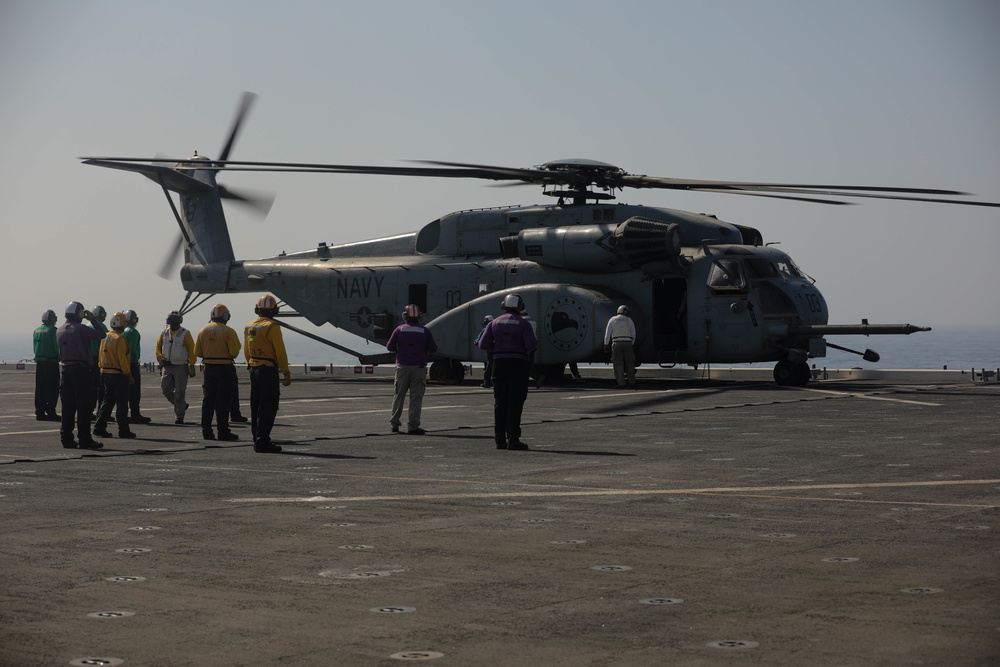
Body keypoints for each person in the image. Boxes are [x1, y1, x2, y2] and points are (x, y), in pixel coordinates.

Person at [478, 293, 537, 450]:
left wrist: (497, 348)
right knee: (515, 403)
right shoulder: (524, 324)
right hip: (518, 365)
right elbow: (531, 344)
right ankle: (513, 439)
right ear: (520, 306)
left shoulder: (494, 323)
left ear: (504, 306)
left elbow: (483, 344)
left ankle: (499, 440)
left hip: (499, 364)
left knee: (500, 403)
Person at [56, 302, 107, 449]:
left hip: (65, 370)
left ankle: (66, 439)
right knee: (84, 407)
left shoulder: (59, 330)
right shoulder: (81, 329)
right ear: (79, 313)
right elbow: (101, 334)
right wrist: (92, 319)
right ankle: (85, 439)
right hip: (81, 370)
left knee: (68, 407)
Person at [244, 295, 290, 453]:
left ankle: (256, 438)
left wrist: (250, 364)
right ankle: (262, 441)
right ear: (274, 310)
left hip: (254, 368)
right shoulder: (272, 327)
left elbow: (247, 349)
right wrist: (285, 371)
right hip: (268, 370)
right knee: (268, 406)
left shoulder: (249, 326)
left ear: (257, 310)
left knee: (255, 406)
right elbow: (280, 351)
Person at [386, 304, 437, 435]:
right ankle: (413, 426)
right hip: (418, 368)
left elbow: (390, 347)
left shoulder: (399, 329)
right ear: (419, 317)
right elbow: (433, 348)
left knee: (398, 396)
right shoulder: (424, 331)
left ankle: (394, 424)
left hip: (402, 367)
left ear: (405, 316)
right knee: (416, 398)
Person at [195, 304, 241, 442]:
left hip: (209, 369)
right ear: (225, 316)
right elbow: (234, 352)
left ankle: (206, 431)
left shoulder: (203, 330)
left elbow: (197, 352)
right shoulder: (229, 331)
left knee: (208, 401)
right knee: (224, 402)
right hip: (225, 368)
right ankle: (223, 431)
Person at [93, 311, 137, 440]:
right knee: (122, 404)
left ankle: (99, 427)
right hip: (119, 374)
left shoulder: (105, 336)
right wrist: (128, 374)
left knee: (107, 402)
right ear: (123, 324)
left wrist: (101, 369)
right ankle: (123, 430)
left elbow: (101, 355)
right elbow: (122, 358)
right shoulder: (120, 338)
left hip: (105, 372)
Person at [155, 310, 196, 424]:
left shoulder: (185, 333)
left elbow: (192, 349)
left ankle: (179, 415)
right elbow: (158, 347)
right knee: (166, 390)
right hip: (167, 366)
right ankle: (181, 405)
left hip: (181, 366)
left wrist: (191, 364)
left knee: (180, 391)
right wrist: (160, 358)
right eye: (170, 319)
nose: (172, 322)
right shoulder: (164, 333)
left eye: (174, 319)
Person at [122, 309, 151, 424]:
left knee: (124, 393)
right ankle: (135, 414)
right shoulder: (133, 332)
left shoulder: (122, 331)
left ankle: (124, 415)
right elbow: (130, 350)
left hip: (122, 364)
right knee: (134, 392)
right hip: (132, 364)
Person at [33, 309, 61, 421]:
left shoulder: (36, 330)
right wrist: (61, 358)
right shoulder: (53, 330)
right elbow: (57, 347)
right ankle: (51, 412)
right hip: (51, 363)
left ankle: (39, 411)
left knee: (40, 388)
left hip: (40, 363)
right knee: (52, 388)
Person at [604, 305, 637, 389]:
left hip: (616, 342)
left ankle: (621, 383)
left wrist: (606, 344)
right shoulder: (629, 320)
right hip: (628, 342)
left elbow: (607, 333)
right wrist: (631, 343)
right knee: (630, 363)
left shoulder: (612, 319)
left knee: (618, 363)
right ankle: (632, 382)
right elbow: (633, 334)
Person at [86, 305, 108, 417]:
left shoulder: (86, 326)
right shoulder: (102, 327)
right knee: (101, 387)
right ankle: (101, 411)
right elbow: (106, 344)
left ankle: (88, 411)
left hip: (87, 360)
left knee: (89, 387)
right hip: (98, 360)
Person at [474, 315, 494, 388]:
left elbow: (480, 338)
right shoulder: (496, 327)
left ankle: (487, 382)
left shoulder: (486, 329)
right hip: (497, 350)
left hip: (490, 350)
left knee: (490, 366)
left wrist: (476, 342)